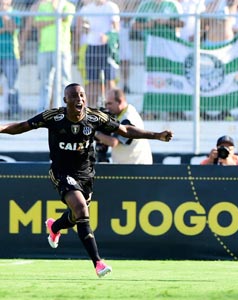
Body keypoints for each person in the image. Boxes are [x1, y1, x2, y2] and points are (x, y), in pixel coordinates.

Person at [0, 83, 173, 277]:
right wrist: (1, 128)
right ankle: (98, 262)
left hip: (86, 174)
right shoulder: (54, 117)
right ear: (66, 100)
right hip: (62, 172)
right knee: (82, 209)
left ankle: (55, 226)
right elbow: (23, 126)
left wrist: (157, 135)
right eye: (74, 96)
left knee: (76, 216)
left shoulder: (94, 117)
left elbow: (125, 130)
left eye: (82, 95)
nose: (79, 99)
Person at [33, 0, 76, 111]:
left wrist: (55, 11)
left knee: (64, 81)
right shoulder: (42, 6)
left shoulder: (68, 6)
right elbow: (37, 23)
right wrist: (56, 19)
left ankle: (66, 109)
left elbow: (65, 19)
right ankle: (42, 111)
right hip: (44, 48)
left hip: (62, 49)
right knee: (45, 82)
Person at [75, 0, 120, 107]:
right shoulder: (86, 9)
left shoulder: (112, 7)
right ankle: (91, 111)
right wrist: (84, 28)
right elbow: (81, 28)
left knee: (109, 81)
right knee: (91, 82)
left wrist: (108, 36)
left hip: (106, 48)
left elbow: (116, 29)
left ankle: (112, 111)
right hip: (91, 47)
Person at [94, 88, 153, 164]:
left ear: (120, 101)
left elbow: (114, 142)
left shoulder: (128, 118)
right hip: (128, 166)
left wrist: (95, 132)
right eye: (106, 104)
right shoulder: (119, 115)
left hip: (137, 167)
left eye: (110, 103)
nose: (107, 107)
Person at [0, 0, 21, 118]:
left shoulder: (16, 13)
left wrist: (4, 15)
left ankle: (14, 112)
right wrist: (4, 29)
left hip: (11, 55)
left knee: (13, 85)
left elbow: (13, 28)